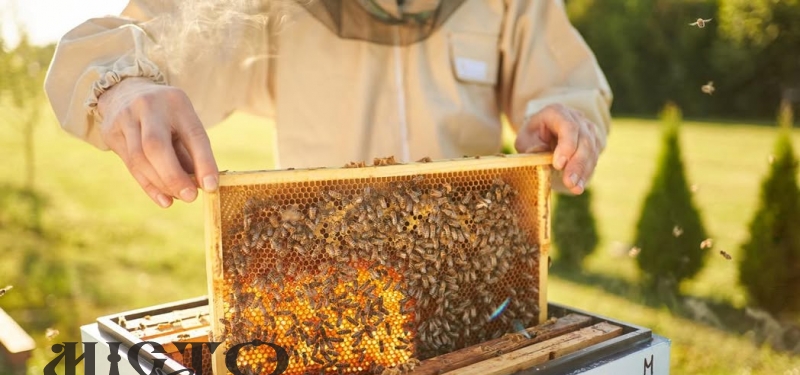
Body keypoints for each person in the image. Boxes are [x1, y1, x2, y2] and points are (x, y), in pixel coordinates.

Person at [44, 0, 612, 209]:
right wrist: (124, 86)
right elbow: (127, 40)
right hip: (327, 285)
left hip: (476, 298)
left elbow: (566, 84)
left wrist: (564, 122)